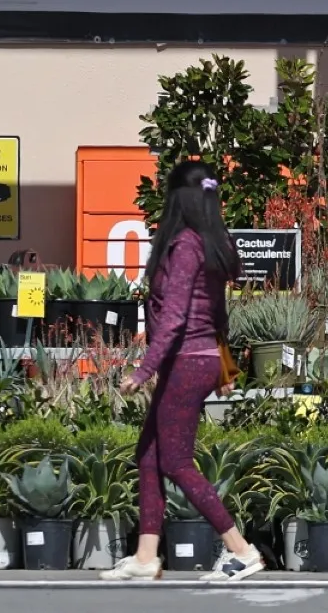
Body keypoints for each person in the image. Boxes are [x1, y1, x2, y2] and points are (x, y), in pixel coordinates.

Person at [101, 160, 265, 583]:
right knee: (150, 455)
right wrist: (226, 367)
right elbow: (219, 314)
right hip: (202, 358)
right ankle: (145, 556)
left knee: (175, 460)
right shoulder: (214, 242)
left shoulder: (186, 246)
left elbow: (174, 318)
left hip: (186, 361)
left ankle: (240, 550)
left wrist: (142, 371)